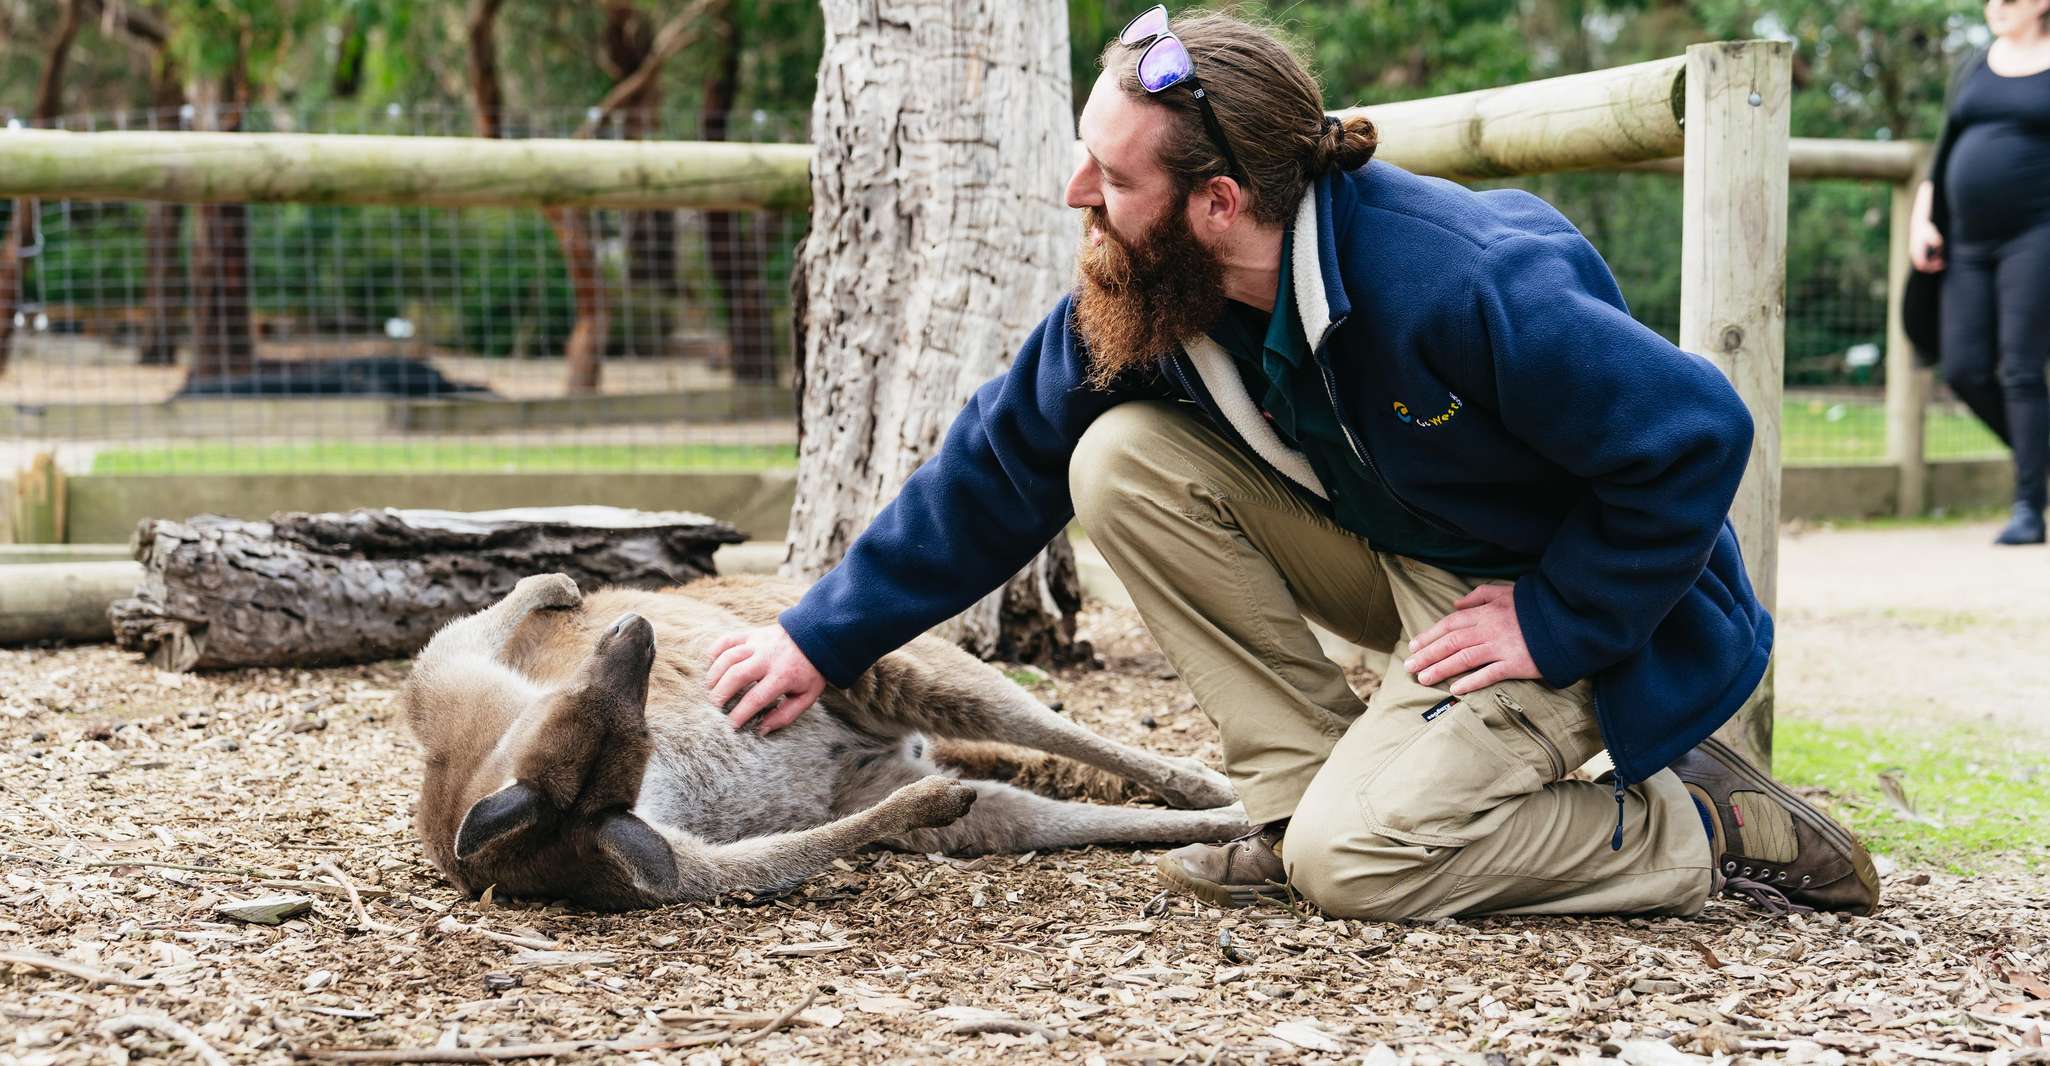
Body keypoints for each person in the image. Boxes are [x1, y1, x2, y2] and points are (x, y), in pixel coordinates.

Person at [704, 8, 1880, 920]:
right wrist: (818, 638)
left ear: (1216, 202)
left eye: (1111, 181)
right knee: (1114, 458)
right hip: (1405, 559)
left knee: (1357, 866)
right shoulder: (1153, 291)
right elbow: (1000, 462)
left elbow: (1695, 434)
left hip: (1553, 600)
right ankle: (1295, 800)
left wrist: (1564, 616)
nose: (1078, 196)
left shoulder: (1463, 279)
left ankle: (1702, 828)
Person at [1910, 0, 2050, 545]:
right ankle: (2038, 460)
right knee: (1965, 367)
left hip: (2037, 233)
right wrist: (1923, 219)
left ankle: (2027, 508)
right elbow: (1943, 151)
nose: (1996, 6)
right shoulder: (1975, 61)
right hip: (1965, 240)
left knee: (2020, 368)